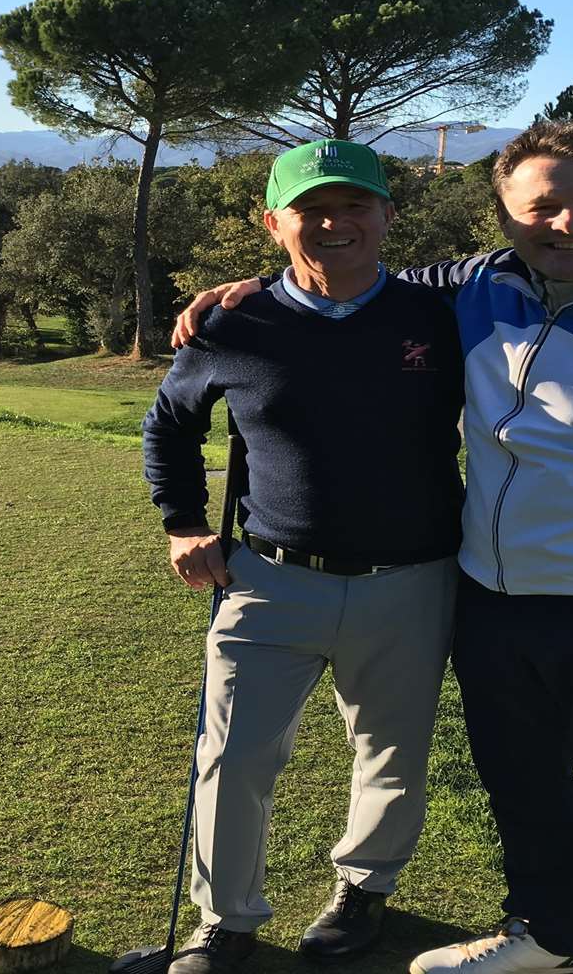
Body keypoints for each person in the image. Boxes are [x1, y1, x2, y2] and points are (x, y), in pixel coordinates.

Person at [175, 120, 573, 974]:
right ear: (506, 218)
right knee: (525, 789)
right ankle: (545, 933)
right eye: (542, 207)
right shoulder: (478, 289)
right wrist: (256, 284)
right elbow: (352, 276)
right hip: (493, 601)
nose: (569, 225)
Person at [141, 138, 468, 973]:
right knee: (235, 754)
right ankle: (227, 920)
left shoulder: (445, 313)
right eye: (311, 208)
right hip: (269, 579)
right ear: (274, 223)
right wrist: (183, 522)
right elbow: (171, 424)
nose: (334, 222)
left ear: (388, 216)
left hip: (414, 579)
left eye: (355, 204)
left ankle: (364, 889)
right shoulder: (229, 322)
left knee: (391, 752)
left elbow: (554, 269)